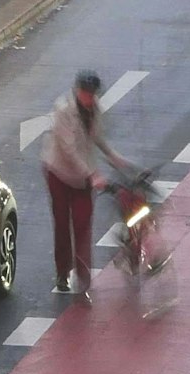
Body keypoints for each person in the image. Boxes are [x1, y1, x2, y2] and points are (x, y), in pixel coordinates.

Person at [42, 71, 133, 299]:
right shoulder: (64, 110)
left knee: (83, 226)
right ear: (77, 90)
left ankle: (83, 280)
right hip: (60, 173)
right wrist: (93, 174)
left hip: (83, 179)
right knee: (62, 224)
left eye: (92, 94)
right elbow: (69, 149)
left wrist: (114, 157)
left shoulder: (95, 109)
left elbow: (97, 138)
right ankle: (62, 272)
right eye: (85, 93)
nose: (88, 98)